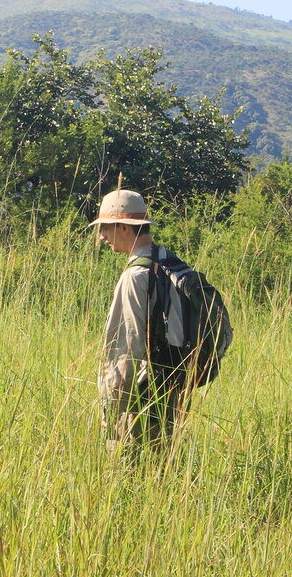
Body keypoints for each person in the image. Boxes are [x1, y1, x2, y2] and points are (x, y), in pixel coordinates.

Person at [90, 189, 190, 452]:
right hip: (173, 388)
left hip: (140, 396)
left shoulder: (135, 277)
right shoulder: (171, 263)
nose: (101, 237)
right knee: (163, 469)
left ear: (124, 227)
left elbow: (127, 348)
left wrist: (112, 407)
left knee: (129, 475)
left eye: (105, 229)